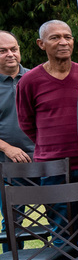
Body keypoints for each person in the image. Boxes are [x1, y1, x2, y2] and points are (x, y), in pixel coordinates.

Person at [15, 20, 78, 260]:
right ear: (41, 44)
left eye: (68, 37)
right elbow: (26, 122)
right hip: (54, 169)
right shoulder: (29, 81)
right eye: (55, 37)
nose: (63, 42)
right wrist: (50, 147)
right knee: (63, 232)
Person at [0, 30, 32, 165]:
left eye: (14, 49)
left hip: (43, 159)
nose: (10, 54)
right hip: (4, 162)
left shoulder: (36, 79)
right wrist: (6, 148)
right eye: (2, 51)